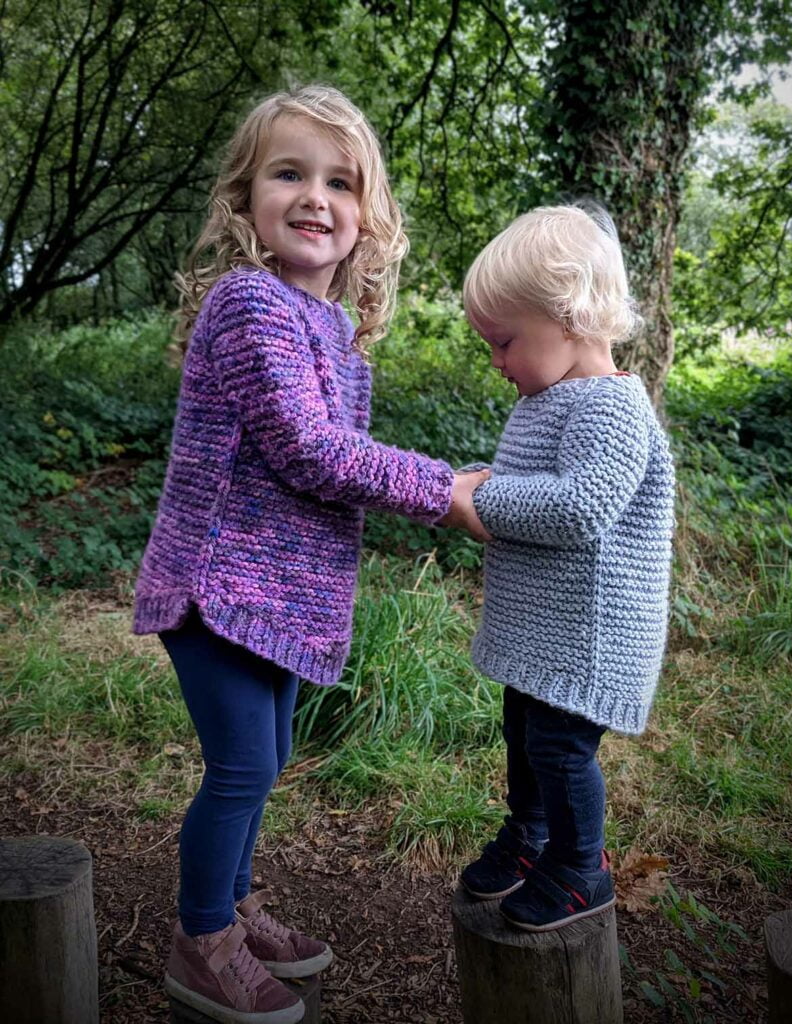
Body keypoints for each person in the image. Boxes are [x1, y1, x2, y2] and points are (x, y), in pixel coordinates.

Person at [133, 84, 488, 1024]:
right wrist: (443, 491)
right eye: (288, 173)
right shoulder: (250, 304)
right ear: (244, 197)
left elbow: (324, 467)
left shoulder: (331, 326)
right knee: (243, 766)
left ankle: (238, 907)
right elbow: (309, 449)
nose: (313, 197)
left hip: (279, 596)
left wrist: (437, 484)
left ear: (369, 216)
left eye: (340, 181)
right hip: (216, 586)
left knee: (273, 748)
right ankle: (201, 936)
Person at [457, 204, 676, 932]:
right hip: (543, 629)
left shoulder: (612, 406)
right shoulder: (550, 398)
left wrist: (483, 495)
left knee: (557, 745)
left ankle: (582, 866)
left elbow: (579, 507)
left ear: (573, 317)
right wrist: (484, 482)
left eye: (504, 341)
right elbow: (535, 487)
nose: (495, 361)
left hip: (589, 633)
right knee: (522, 734)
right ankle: (530, 836)